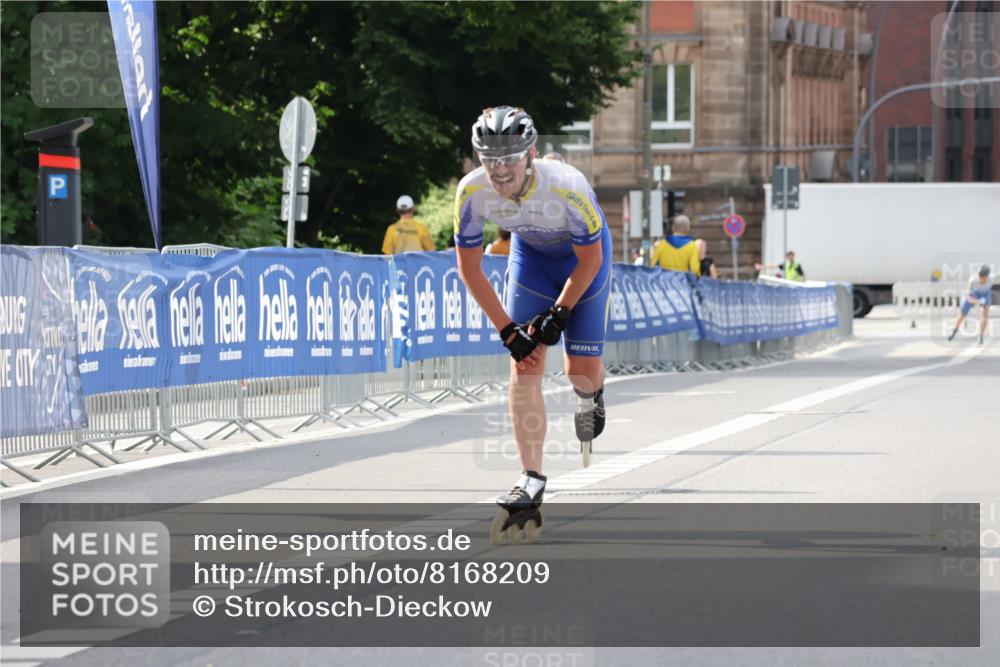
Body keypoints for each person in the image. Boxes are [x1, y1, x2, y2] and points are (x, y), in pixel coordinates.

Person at [454, 106, 612, 542]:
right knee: (524, 364)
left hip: (583, 262)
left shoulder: (568, 185)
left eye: (510, 158)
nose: (500, 170)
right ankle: (531, 478)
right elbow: (470, 270)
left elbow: (591, 259)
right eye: (490, 160)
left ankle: (593, 392)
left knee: (579, 373)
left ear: (532, 154)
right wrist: (510, 331)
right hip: (531, 261)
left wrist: (559, 315)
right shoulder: (471, 193)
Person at [948, 265, 993, 345]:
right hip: (973, 294)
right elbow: (969, 297)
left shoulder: (992, 279)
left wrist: (984, 304)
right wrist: (978, 302)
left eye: (983, 276)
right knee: (962, 313)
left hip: (985, 294)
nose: (981, 278)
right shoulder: (973, 280)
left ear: (987, 276)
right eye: (980, 276)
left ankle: (980, 336)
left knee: (984, 313)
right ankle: (955, 329)